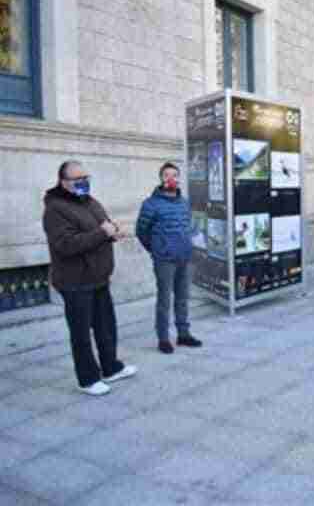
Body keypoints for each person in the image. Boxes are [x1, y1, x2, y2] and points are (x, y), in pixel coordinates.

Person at [43, 160, 137, 396]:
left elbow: (102, 228)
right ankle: (87, 379)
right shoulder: (55, 208)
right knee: (81, 333)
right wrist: (101, 233)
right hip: (75, 281)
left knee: (106, 327)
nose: (83, 182)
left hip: (99, 276)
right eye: (77, 179)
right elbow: (65, 245)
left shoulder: (91, 201)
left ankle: (111, 368)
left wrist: (113, 232)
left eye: (86, 177)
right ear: (63, 182)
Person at [136, 162, 202, 355]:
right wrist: (156, 249)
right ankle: (163, 338)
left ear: (179, 179)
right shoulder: (150, 204)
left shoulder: (184, 202)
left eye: (175, 175)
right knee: (164, 299)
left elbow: (189, 225)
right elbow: (141, 231)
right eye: (166, 175)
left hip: (184, 257)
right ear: (161, 178)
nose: (171, 178)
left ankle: (183, 334)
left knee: (182, 298)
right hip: (164, 259)